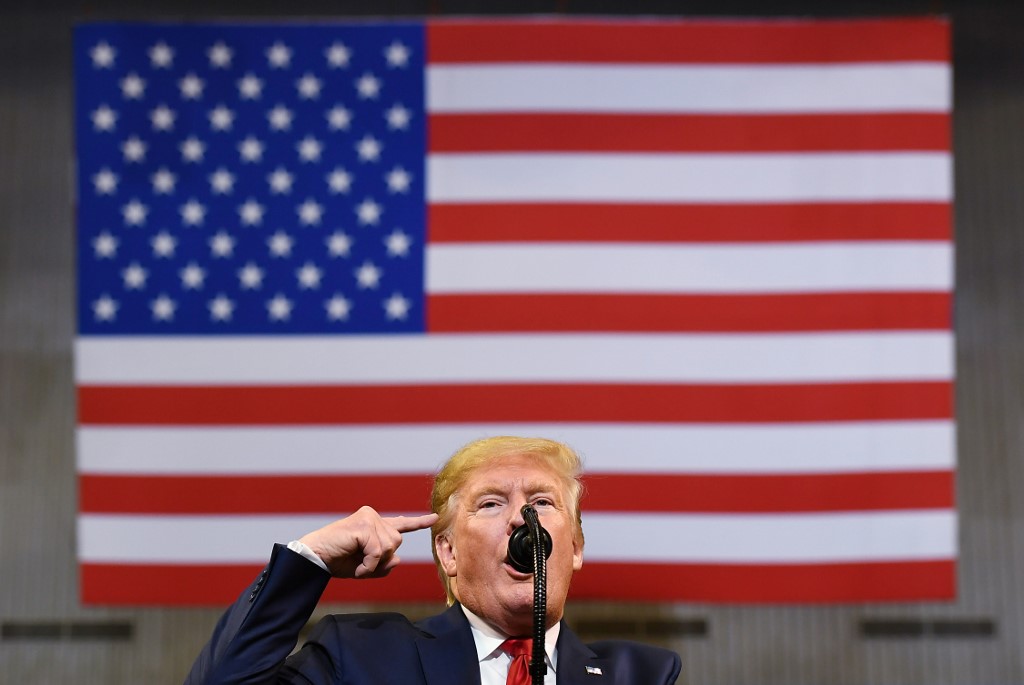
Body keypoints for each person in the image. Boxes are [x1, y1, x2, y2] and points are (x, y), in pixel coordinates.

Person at [185, 436, 681, 684]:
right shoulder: (361, 656)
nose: (520, 519)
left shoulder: (641, 674)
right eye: (491, 503)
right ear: (446, 551)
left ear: (573, 549)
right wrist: (308, 559)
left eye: (542, 502)